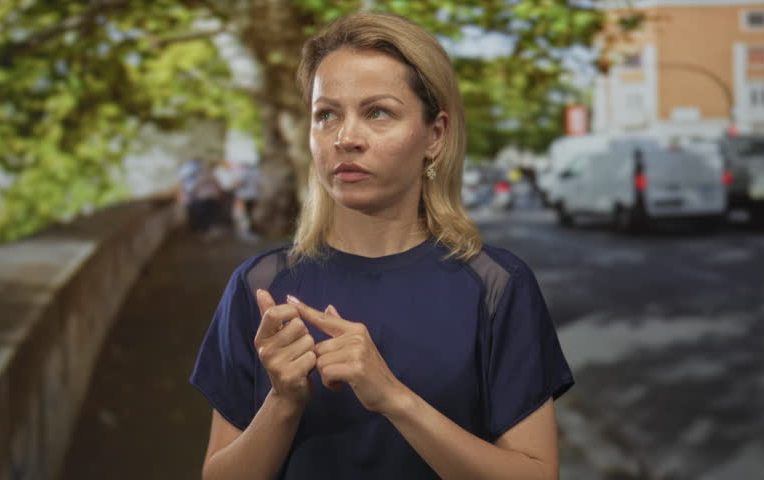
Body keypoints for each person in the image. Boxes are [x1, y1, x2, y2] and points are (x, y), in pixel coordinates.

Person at [190, 12, 574, 480]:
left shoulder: (496, 286)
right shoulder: (261, 287)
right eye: (326, 115)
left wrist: (394, 399)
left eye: (378, 112)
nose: (345, 138)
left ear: (435, 135)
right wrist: (283, 403)